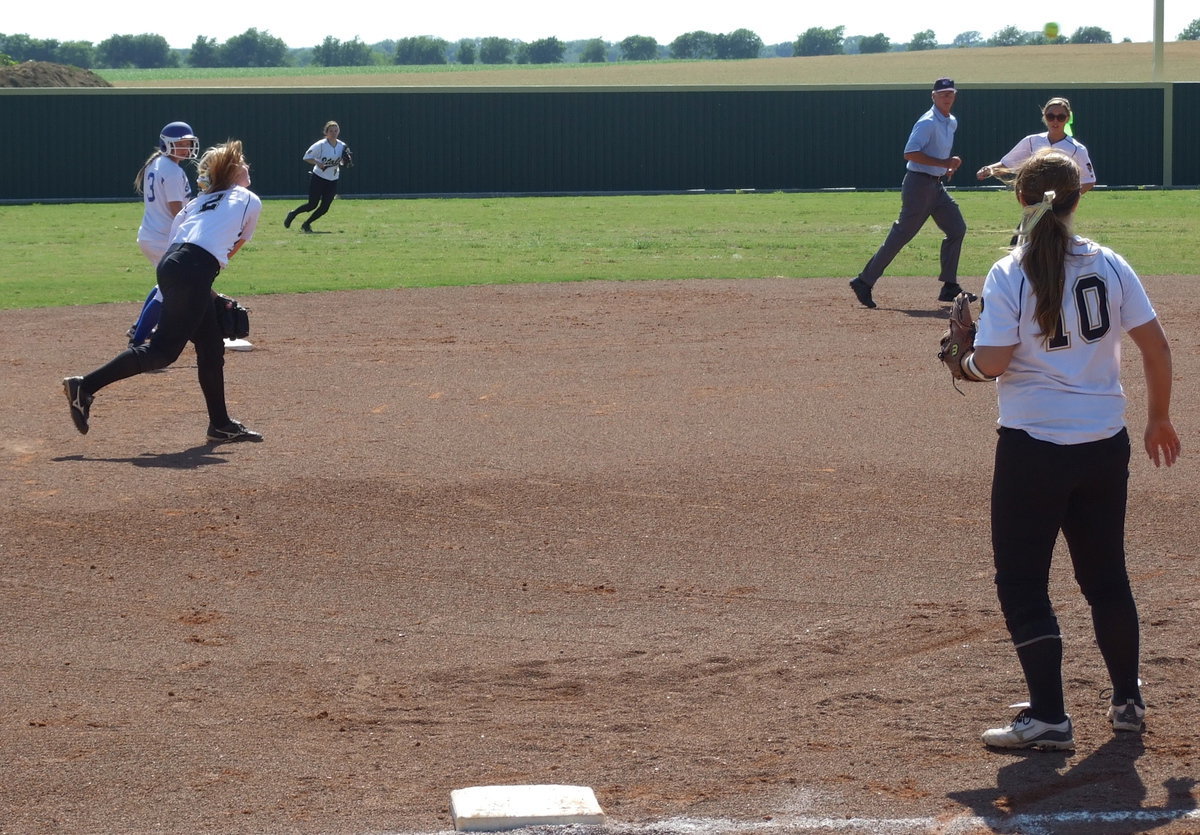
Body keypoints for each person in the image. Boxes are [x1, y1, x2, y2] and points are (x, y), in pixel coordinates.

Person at [954, 149, 1180, 750]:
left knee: (1022, 581)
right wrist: (1159, 418)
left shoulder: (1010, 270)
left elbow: (993, 362)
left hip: (1034, 447)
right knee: (1106, 576)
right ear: (1078, 199)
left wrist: (965, 362)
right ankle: (1127, 699)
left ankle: (1050, 717)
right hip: (1105, 444)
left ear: (1021, 200)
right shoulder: (1110, 264)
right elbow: (1157, 349)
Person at [63, 140, 265, 444]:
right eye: (242, 162)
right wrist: (201, 287)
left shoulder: (196, 203)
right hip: (193, 269)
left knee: (211, 345)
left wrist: (209, 294)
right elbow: (225, 251)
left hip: (173, 264)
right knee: (162, 352)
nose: (247, 166)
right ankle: (85, 386)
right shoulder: (249, 199)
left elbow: (180, 252)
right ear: (232, 171)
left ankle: (220, 424)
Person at [849, 78, 969, 309]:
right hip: (919, 185)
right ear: (933, 96)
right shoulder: (927, 122)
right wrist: (943, 162)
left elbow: (937, 155)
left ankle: (949, 285)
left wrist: (947, 166)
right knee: (901, 235)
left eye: (950, 93)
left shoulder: (951, 121)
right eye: (942, 93)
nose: (947, 97)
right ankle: (864, 281)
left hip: (936, 186)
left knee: (957, 228)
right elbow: (910, 152)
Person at [127, 121, 198, 347]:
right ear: (167, 144)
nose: (185, 149)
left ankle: (138, 329)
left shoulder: (157, 163)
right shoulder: (172, 170)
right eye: (180, 144)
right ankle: (138, 341)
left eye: (187, 144)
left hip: (151, 234)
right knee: (171, 289)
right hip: (163, 237)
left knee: (164, 285)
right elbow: (176, 208)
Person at [976, 97, 1096, 194]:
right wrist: (989, 169)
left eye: (1061, 117)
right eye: (1050, 116)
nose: (1055, 121)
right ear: (1044, 116)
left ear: (1067, 118)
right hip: (1034, 198)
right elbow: (1007, 163)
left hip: (1061, 203)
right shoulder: (1032, 141)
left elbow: (1089, 180)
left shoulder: (1077, 148)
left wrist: (1068, 199)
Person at [284, 121, 350, 233]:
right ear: (326, 132)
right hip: (319, 177)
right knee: (312, 205)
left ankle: (306, 224)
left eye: (336, 130)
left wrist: (346, 161)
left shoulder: (342, 146)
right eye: (331, 131)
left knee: (324, 208)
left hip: (333, 179)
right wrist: (317, 162)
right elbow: (306, 157)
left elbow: (344, 162)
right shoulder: (320, 145)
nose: (334, 133)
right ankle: (293, 213)